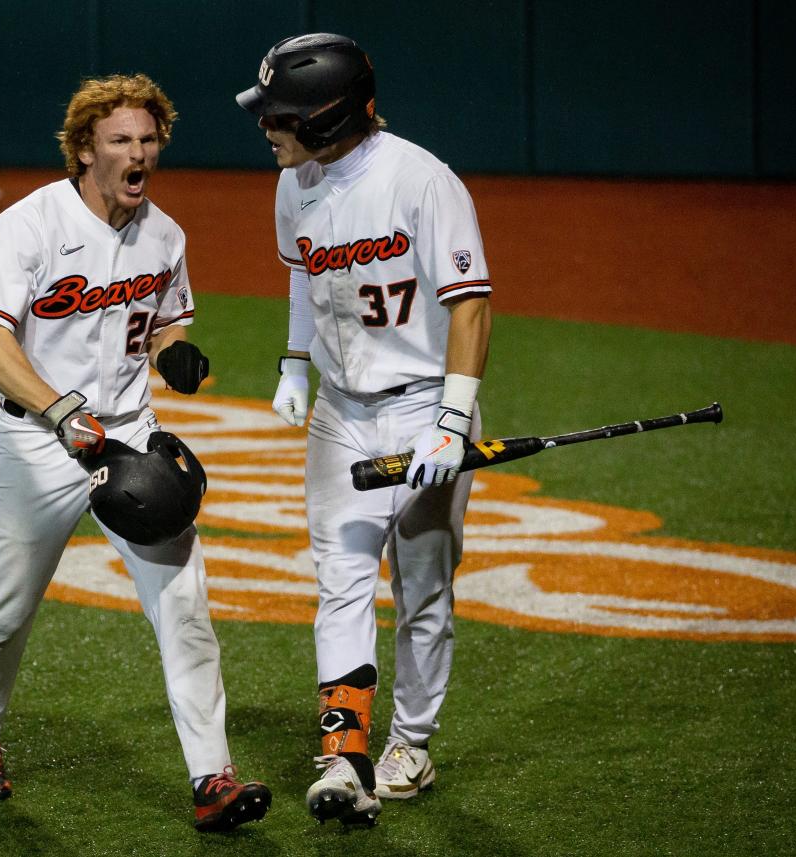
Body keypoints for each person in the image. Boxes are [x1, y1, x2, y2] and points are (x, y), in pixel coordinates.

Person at [0, 73, 270, 832]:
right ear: (86, 148)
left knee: (185, 607)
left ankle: (212, 778)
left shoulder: (165, 235)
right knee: (6, 604)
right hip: (39, 441)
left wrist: (178, 354)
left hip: (130, 440)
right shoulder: (29, 225)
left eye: (149, 139)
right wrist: (59, 408)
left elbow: (165, 326)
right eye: (122, 140)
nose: (139, 154)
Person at [236, 34, 493, 826]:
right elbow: (303, 278)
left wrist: (451, 422)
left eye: (279, 115)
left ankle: (410, 741)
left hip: (426, 408)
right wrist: (293, 364)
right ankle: (345, 755)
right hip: (342, 413)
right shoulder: (295, 183)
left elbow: (472, 304)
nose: (266, 128)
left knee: (422, 590)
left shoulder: (422, 180)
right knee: (341, 579)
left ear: (328, 114)